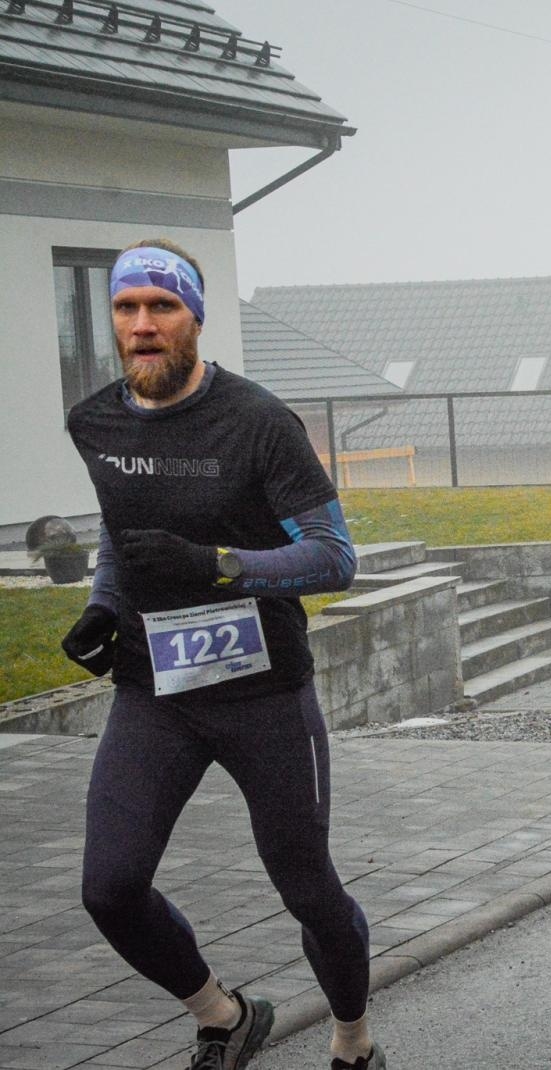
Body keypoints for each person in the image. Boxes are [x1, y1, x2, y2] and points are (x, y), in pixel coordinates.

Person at [60, 240, 382, 1070]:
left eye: (161, 307)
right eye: (127, 308)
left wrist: (217, 565)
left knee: (308, 892)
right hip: (154, 688)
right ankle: (224, 1014)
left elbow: (334, 557)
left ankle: (352, 1039)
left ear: (194, 318)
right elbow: (118, 525)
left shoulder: (258, 422)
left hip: (264, 691)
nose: (142, 325)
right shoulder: (92, 421)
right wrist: (103, 601)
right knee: (109, 887)